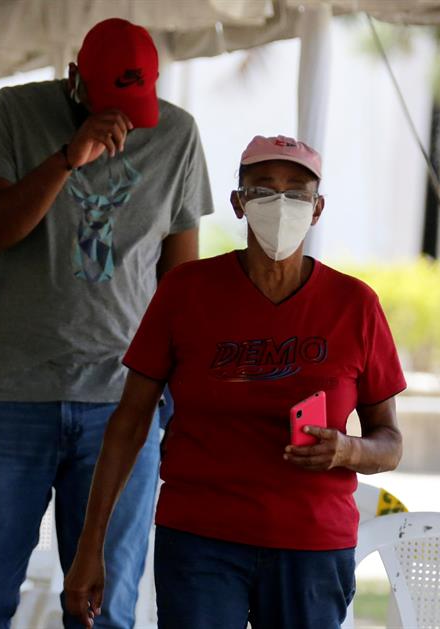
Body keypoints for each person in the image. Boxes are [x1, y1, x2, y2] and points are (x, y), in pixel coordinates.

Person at [65, 135, 406, 629]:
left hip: (311, 545)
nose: (280, 203)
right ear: (238, 203)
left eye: (296, 192)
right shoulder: (186, 291)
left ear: (317, 209)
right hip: (200, 540)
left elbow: (390, 443)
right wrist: (90, 545)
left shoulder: (355, 305)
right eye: (263, 189)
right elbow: (129, 421)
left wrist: (346, 450)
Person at [0, 18, 213, 629]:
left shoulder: (177, 134)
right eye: (110, 103)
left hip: (123, 404)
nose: (125, 123)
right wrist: (67, 159)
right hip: (7, 396)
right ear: (75, 81)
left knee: (104, 609)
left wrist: (178, 398)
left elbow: (180, 284)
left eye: (136, 105)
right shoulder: (13, 113)